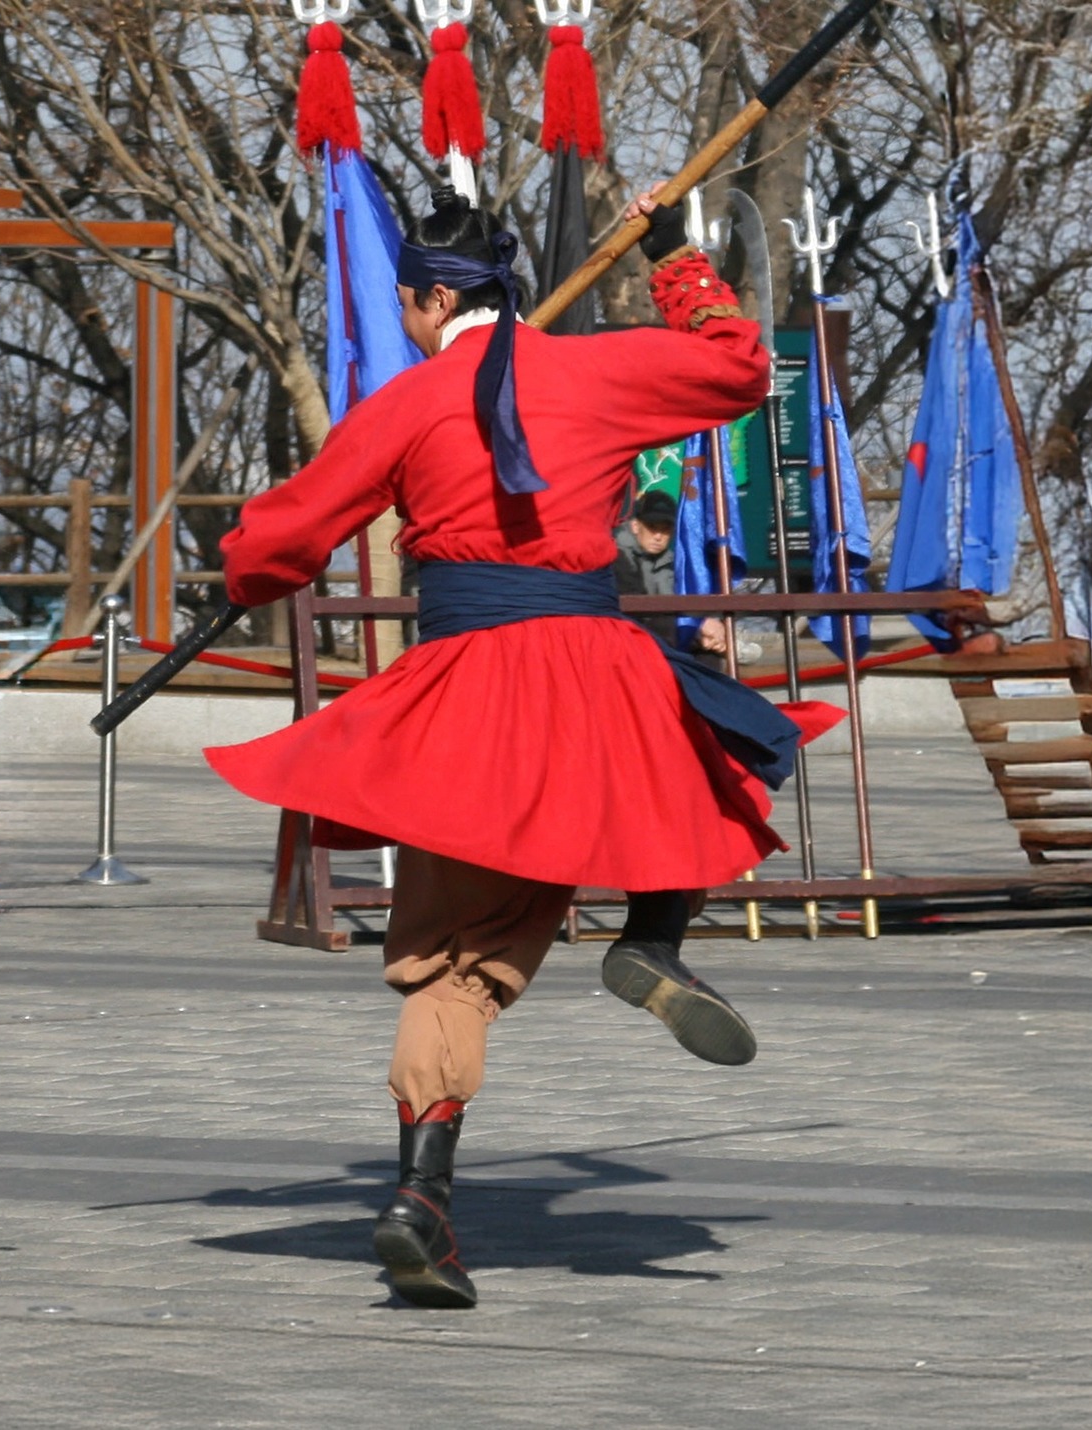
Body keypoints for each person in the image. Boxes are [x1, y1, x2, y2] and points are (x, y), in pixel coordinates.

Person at [204, 189, 840, 1309]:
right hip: (595, 664)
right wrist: (676, 258)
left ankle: (421, 1198)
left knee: (455, 961)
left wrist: (249, 569)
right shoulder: (597, 372)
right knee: (694, 755)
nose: (403, 318)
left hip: (469, 686)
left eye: (407, 302)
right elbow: (739, 368)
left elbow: (286, 533)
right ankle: (654, 931)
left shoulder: (408, 400)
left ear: (436, 296)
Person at [614, 486, 731, 658]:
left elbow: (695, 599)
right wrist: (696, 628)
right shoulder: (617, 556)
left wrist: (712, 628)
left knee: (710, 656)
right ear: (635, 526)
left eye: (665, 529)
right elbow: (637, 614)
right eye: (652, 527)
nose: (659, 536)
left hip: (665, 643)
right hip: (626, 645)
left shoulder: (674, 561)